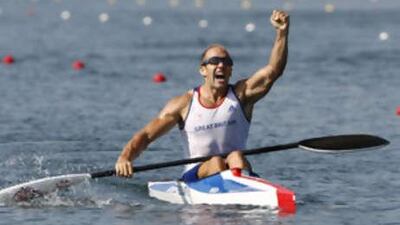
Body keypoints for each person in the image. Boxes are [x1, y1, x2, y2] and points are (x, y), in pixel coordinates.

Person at [115, 10, 290, 182]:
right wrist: (125, 157)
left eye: (226, 62)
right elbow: (146, 136)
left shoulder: (241, 95)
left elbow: (273, 71)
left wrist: (281, 32)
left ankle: (240, 187)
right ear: (203, 70)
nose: (221, 65)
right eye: (214, 61)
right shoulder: (184, 104)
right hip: (196, 176)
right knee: (216, 162)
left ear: (230, 71)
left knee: (236, 157)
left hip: (236, 168)